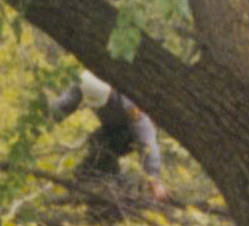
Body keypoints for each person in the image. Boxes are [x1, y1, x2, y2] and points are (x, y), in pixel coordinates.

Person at [46, 71, 167, 213]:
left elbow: (146, 138)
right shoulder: (84, 83)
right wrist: (40, 120)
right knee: (90, 158)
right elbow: (62, 106)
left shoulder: (127, 98)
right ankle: (95, 190)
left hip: (133, 131)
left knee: (101, 143)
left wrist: (153, 179)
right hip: (112, 128)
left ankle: (121, 191)